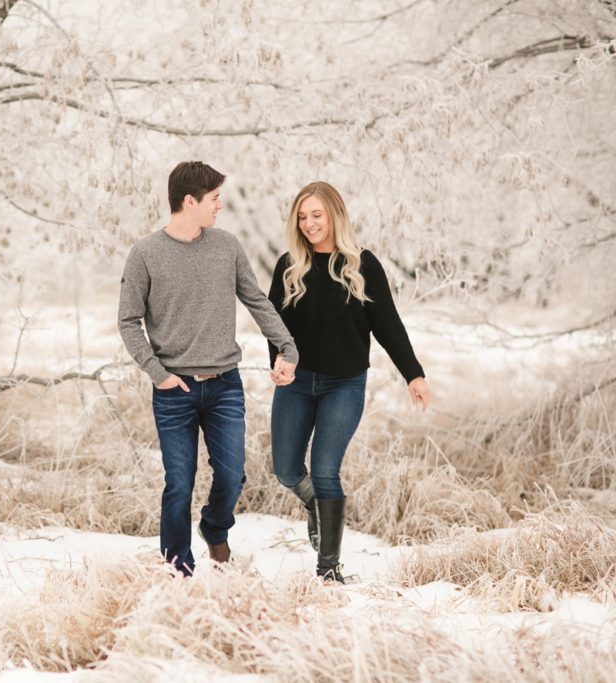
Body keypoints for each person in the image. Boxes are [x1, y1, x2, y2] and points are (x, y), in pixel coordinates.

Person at [119, 161, 298, 577]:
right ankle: (179, 568)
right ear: (189, 201)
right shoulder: (145, 254)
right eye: (214, 199)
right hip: (173, 390)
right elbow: (128, 320)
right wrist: (157, 373)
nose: (220, 206)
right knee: (179, 483)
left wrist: (287, 347)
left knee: (233, 475)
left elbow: (256, 300)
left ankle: (215, 528)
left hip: (224, 385)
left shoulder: (226, 246)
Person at [267, 181, 432, 583]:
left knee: (325, 470)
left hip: (344, 385)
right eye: (302, 217)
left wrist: (413, 374)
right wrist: (279, 360)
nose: (308, 224)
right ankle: (314, 506)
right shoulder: (289, 265)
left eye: (316, 215)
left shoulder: (362, 266)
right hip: (298, 383)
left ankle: (328, 571)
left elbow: (388, 326)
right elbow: (272, 324)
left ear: (335, 215)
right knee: (286, 469)